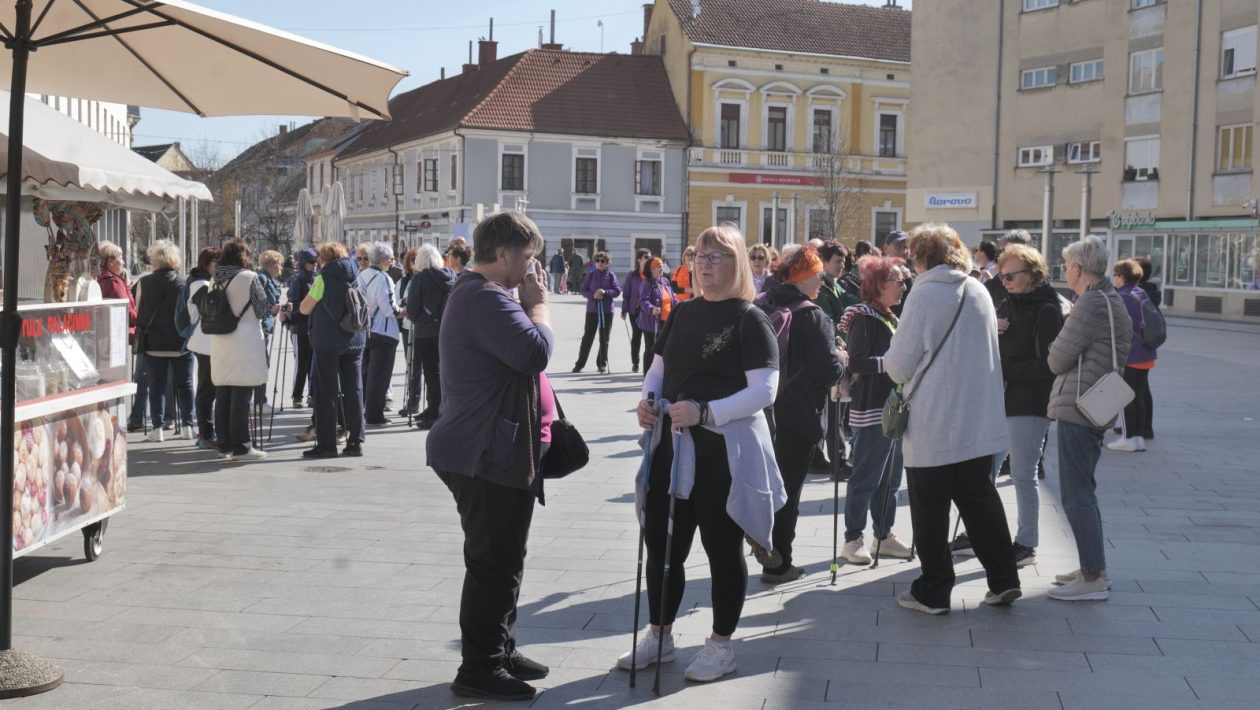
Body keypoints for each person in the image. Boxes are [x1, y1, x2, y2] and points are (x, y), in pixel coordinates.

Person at [621, 224, 784, 684]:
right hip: (671, 446)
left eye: (718, 257)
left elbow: (765, 391)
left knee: (720, 547)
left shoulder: (750, 318)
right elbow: (658, 370)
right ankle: (660, 633)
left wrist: (707, 412)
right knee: (662, 544)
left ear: (737, 265)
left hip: (723, 453)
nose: (706, 265)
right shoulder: (684, 313)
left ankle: (720, 644)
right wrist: (647, 401)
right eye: (701, 257)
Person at [426, 212, 552, 701]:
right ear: (502, 255)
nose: (532, 268)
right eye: (527, 257)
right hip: (483, 453)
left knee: (505, 556)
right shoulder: (481, 297)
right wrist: (538, 307)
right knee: (492, 561)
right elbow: (534, 352)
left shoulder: (486, 294)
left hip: (495, 450)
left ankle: (498, 648)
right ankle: (479, 667)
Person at [883, 223, 1020, 614]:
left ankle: (934, 590)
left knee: (930, 508)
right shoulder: (977, 288)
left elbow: (898, 365)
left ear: (922, 255)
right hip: (977, 418)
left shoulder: (924, 294)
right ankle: (1005, 579)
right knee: (981, 502)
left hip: (934, 421)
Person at [1046, 236, 1132, 601]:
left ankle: (1093, 577)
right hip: (1096, 406)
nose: (1066, 271)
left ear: (1078, 269)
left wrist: (1056, 343)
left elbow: (1056, 359)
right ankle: (1091, 566)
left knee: (1076, 494)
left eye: (1067, 265)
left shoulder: (1090, 304)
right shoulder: (1112, 300)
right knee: (1084, 491)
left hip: (1078, 408)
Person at [757, 247, 843, 583]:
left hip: (758, 412)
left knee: (762, 486)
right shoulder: (813, 315)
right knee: (788, 492)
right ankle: (779, 562)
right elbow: (830, 372)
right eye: (819, 275)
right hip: (799, 416)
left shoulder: (761, 303)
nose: (822, 281)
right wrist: (842, 357)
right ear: (804, 277)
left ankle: (758, 544)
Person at [990, 244, 1065, 568]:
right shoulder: (1009, 304)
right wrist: (994, 332)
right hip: (1001, 400)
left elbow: (1050, 366)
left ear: (1032, 274)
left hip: (1030, 403)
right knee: (983, 473)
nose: (1004, 281)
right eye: (1001, 275)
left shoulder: (1046, 310)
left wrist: (1006, 366)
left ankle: (1026, 542)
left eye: (1011, 276)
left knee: (1022, 474)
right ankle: (980, 533)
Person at [835, 255, 912, 564]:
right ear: (880, 285)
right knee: (866, 476)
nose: (904, 286)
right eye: (898, 281)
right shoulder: (864, 317)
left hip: (893, 407)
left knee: (891, 480)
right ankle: (853, 539)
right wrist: (893, 363)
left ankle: (884, 535)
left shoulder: (890, 315)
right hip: (871, 410)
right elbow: (857, 362)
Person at [206, 239, 274, 461]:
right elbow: (262, 310)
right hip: (245, 339)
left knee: (224, 393)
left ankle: (224, 445)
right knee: (242, 394)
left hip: (221, 338)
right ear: (244, 256)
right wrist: (276, 308)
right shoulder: (249, 277)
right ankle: (242, 446)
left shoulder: (215, 279)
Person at [299, 242, 367, 458]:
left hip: (329, 342)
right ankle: (355, 441)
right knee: (354, 389)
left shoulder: (323, 278)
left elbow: (304, 308)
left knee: (326, 392)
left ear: (324, 258)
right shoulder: (356, 274)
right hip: (355, 339)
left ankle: (327, 444)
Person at [135, 240, 194, 442]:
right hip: (181, 343)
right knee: (185, 384)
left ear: (155, 260)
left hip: (154, 344)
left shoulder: (144, 283)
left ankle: (157, 428)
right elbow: (191, 313)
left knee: (156, 386)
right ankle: (187, 425)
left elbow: (138, 312)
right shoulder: (184, 283)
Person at [1107, 259, 1156, 453]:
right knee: (1138, 397)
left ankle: (1127, 438)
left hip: (1131, 354)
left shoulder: (1124, 297)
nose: (1114, 279)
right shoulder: (1141, 292)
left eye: (1115, 275)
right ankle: (1138, 437)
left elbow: (1117, 326)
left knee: (1125, 396)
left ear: (1121, 277)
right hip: (1146, 353)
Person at [406, 244, 454, 430]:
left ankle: (435, 411)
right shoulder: (450, 276)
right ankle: (436, 407)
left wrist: (420, 319)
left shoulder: (420, 279)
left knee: (431, 373)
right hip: (447, 331)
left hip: (426, 333)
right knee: (442, 372)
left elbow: (412, 310)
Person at [359, 242, 400, 427]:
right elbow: (389, 308)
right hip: (383, 332)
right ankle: (375, 415)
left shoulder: (363, 275)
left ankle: (366, 409)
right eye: (391, 259)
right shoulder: (384, 278)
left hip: (365, 330)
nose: (392, 262)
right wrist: (403, 311)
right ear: (383, 260)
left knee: (367, 373)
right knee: (380, 376)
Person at [186, 247, 221, 450]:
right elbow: (208, 309)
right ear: (207, 263)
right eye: (216, 262)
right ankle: (206, 434)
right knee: (207, 388)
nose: (219, 267)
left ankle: (208, 432)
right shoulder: (200, 283)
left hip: (209, 340)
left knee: (210, 387)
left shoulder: (205, 281)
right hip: (204, 341)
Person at [573, 251, 621, 374]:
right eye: (597, 261)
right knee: (587, 337)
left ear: (607, 263)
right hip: (592, 311)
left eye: (602, 261)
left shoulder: (611, 275)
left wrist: (605, 293)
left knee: (604, 338)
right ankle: (579, 364)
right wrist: (593, 295)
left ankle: (602, 363)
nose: (599, 263)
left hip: (606, 311)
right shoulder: (590, 275)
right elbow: (583, 290)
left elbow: (616, 291)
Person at [285, 248, 318, 408]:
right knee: (302, 363)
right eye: (311, 262)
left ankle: (312, 395)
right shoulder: (298, 280)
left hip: (314, 326)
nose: (314, 265)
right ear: (304, 263)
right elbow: (293, 302)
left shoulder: (317, 277)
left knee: (313, 363)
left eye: (316, 261)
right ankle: (297, 395)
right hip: (300, 327)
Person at [1132, 255, 1160, 439]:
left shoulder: (1137, 294)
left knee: (1138, 390)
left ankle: (1142, 427)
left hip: (1138, 348)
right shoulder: (1150, 293)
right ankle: (1139, 425)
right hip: (1147, 347)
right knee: (1141, 388)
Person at [254, 250, 283, 415]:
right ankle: (260, 402)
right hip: (261, 327)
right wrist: (270, 310)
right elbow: (258, 304)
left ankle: (258, 401)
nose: (281, 267)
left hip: (265, 326)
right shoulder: (262, 278)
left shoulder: (268, 279)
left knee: (263, 364)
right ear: (271, 264)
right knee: (262, 365)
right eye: (279, 263)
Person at [636, 257, 675, 376]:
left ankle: (660, 374)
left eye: (662, 266)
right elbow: (643, 301)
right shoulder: (647, 283)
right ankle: (647, 375)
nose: (661, 268)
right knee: (650, 349)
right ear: (651, 269)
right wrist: (651, 309)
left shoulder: (665, 281)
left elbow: (672, 297)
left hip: (666, 320)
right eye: (658, 266)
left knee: (664, 349)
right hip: (652, 321)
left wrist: (680, 306)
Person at [396, 247, 420, 417]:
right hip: (407, 327)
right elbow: (397, 302)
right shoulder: (403, 282)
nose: (414, 264)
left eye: (417, 260)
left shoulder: (426, 280)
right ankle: (413, 402)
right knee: (412, 365)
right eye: (412, 260)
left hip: (423, 327)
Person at [621, 248, 652, 373]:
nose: (648, 259)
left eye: (649, 257)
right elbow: (626, 294)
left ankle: (648, 364)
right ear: (639, 259)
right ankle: (635, 362)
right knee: (636, 337)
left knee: (648, 339)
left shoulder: (651, 274)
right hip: (635, 310)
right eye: (645, 257)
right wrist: (624, 310)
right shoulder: (632, 275)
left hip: (648, 311)